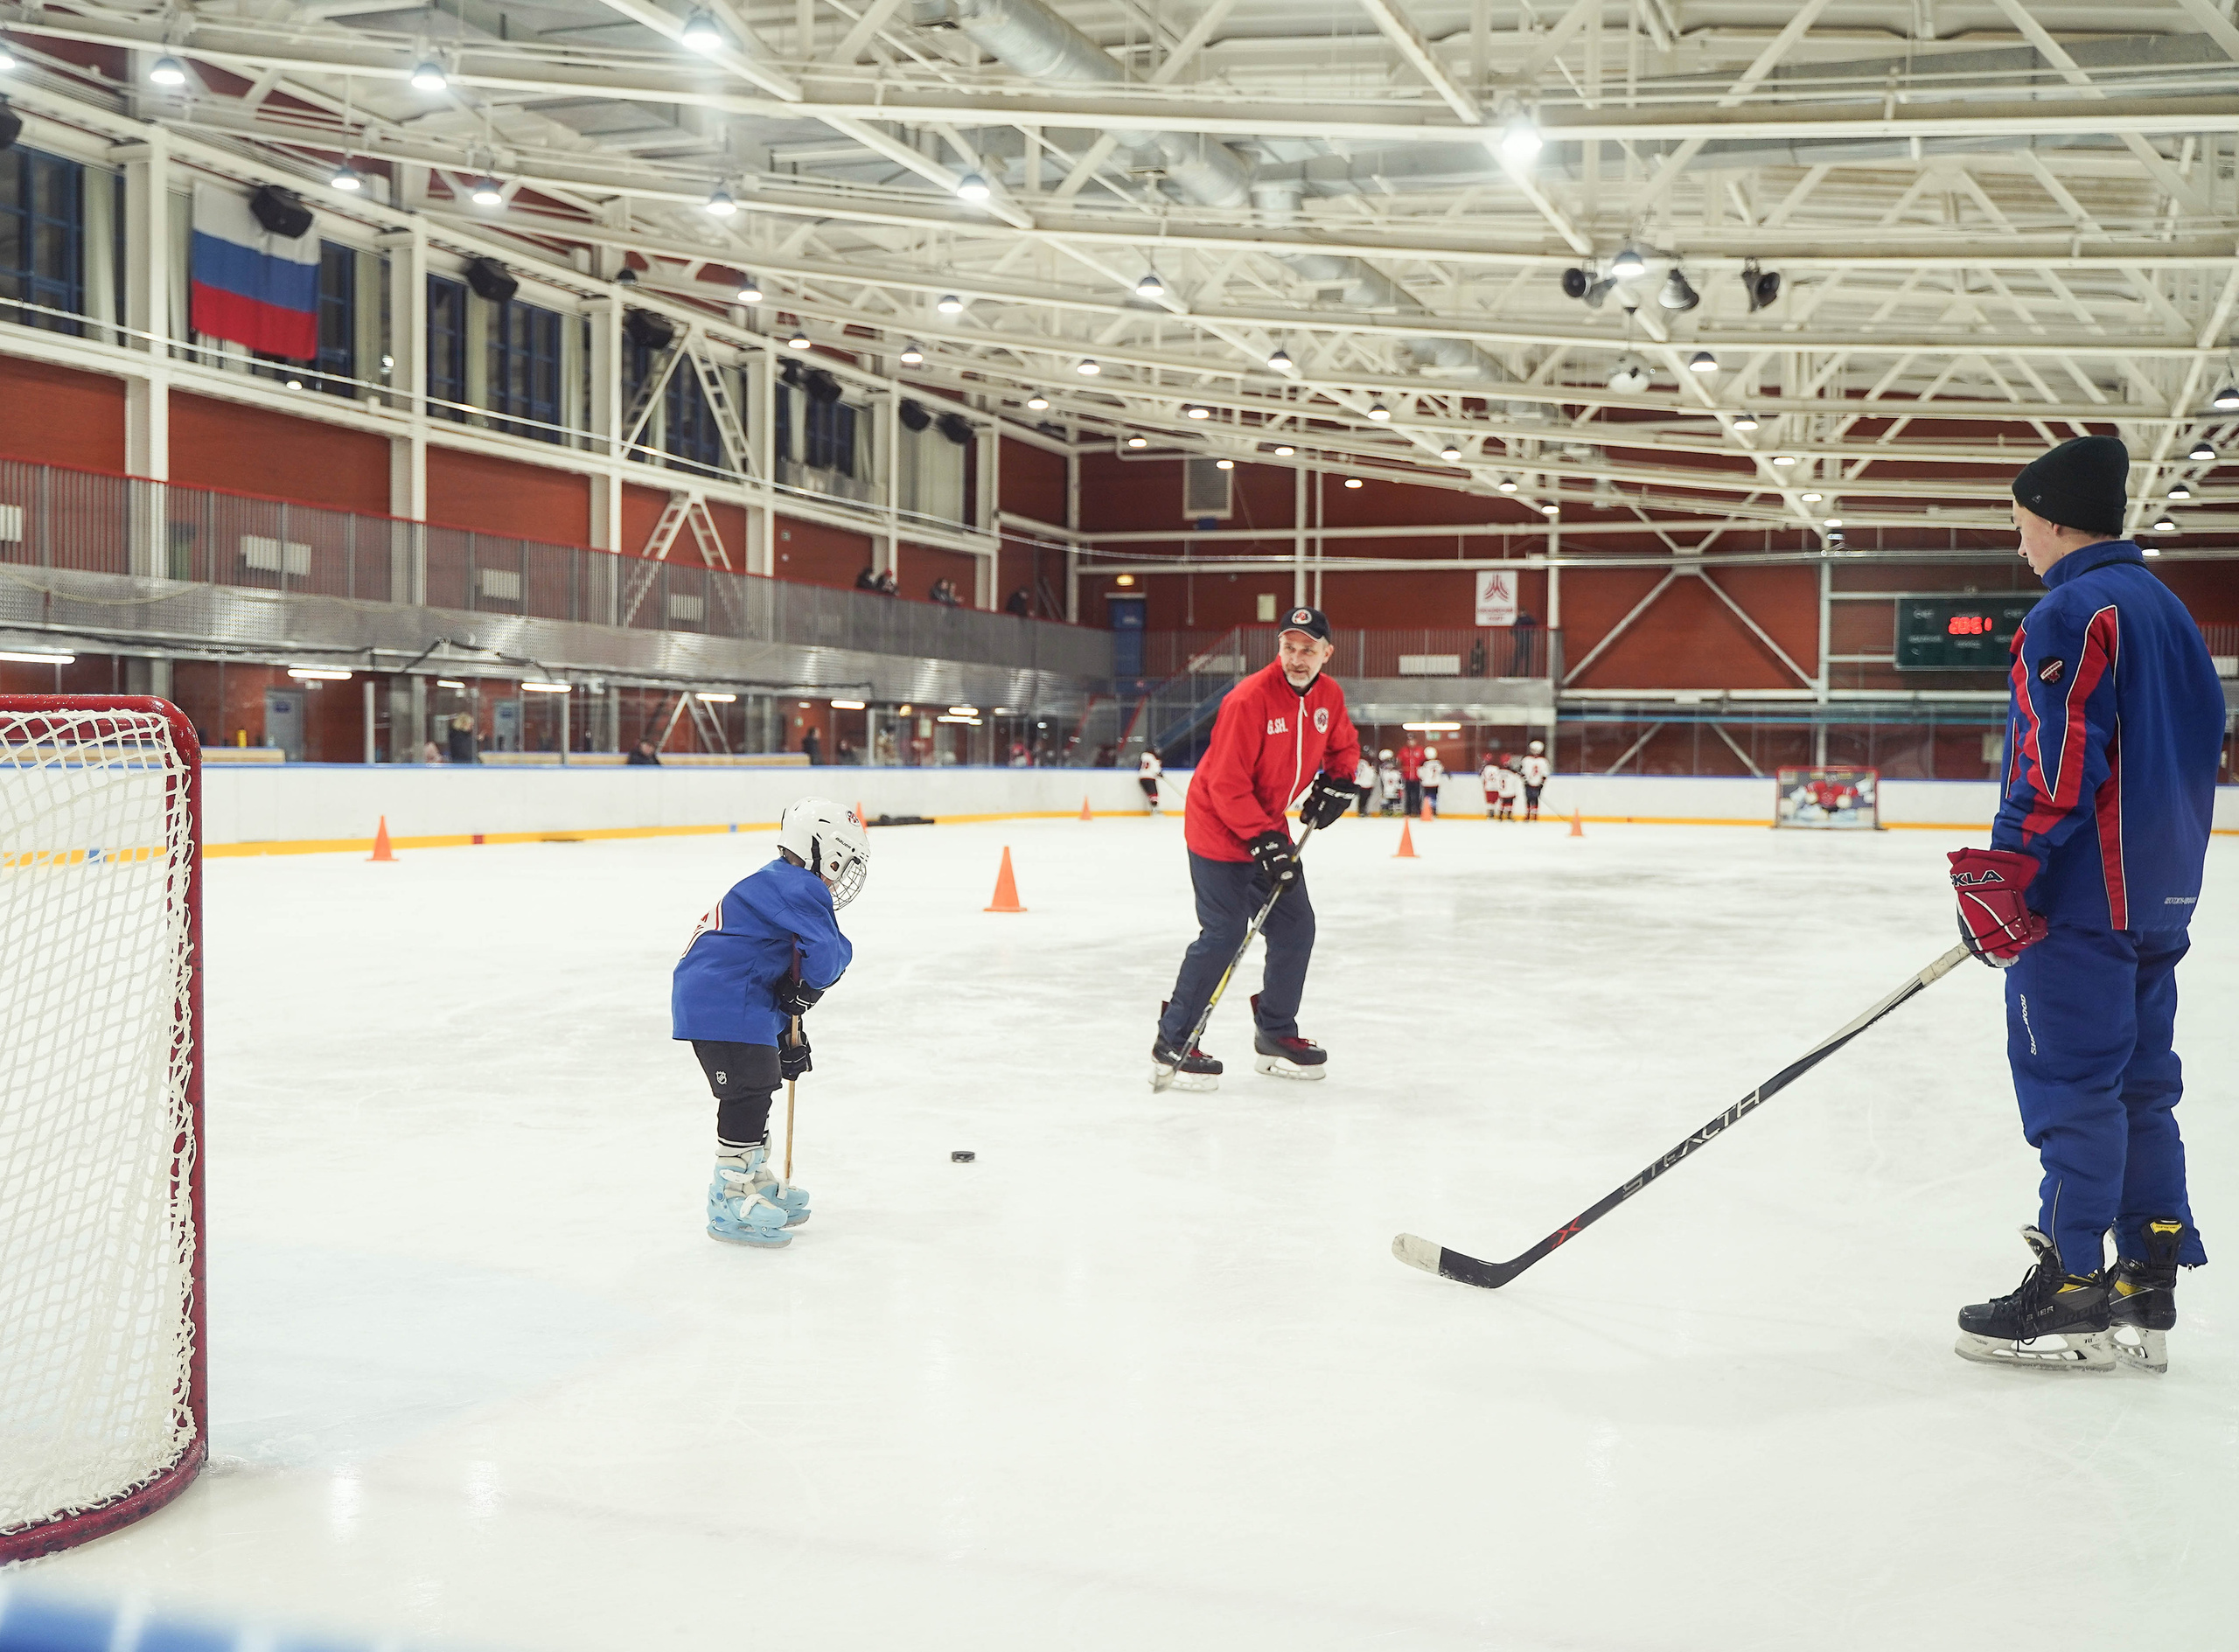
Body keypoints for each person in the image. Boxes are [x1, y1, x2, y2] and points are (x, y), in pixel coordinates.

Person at [1946, 434, 2222, 1374]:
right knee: (2140, 1081)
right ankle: (2148, 1271)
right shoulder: (2171, 612)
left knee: (2072, 1083)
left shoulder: (2072, 609)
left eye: (2020, 518)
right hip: (2161, 891)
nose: (2017, 537)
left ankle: (2070, 1286)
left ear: (2053, 516)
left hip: (2079, 897)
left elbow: (2055, 759)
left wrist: (2008, 866)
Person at [1152, 607, 1361, 1090]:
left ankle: (1274, 1033)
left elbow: (1342, 746)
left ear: (1327, 653)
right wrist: (1261, 838)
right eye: (1289, 647)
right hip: (1219, 831)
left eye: (1308, 648)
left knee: (1294, 928)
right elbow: (1225, 783)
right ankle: (1172, 1042)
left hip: (1266, 827)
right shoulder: (1249, 699)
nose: (1297, 657)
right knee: (1224, 933)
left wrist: (1339, 783)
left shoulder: (1329, 695)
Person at [673, 798, 868, 1248]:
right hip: (722, 1002)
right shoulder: (797, 886)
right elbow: (830, 953)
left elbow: (773, 963)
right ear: (825, 850)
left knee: (759, 1083)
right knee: (747, 1090)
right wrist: (810, 991)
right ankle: (729, 1195)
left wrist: (785, 1029)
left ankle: (753, 1180)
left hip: (734, 998)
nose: (845, 872)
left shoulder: (780, 882)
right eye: (845, 859)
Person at [1518, 739, 1550, 820]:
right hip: (1534, 782)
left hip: (1532, 782)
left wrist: (1525, 780)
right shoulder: (1543, 761)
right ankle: (1532, 814)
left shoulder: (1527, 759)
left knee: (1531, 798)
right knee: (1531, 798)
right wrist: (1542, 782)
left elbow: (1521, 772)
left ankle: (1531, 814)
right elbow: (1545, 774)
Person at [1397, 738, 1425, 818]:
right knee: (1408, 795)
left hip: (1417, 777)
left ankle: (1417, 811)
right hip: (1407, 777)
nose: (1411, 742)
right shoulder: (1403, 750)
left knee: (1417, 795)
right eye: (1409, 741)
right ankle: (1408, 811)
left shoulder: (1420, 750)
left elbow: (1423, 762)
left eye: (1413, 741)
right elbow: (1399, 761)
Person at [1419, 746, 1445, 817]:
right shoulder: (1439, 762)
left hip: (1426, 783)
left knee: (1427, 797)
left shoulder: (1424, 763)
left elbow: (1420, 773)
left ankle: (1427, 810)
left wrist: (1422, 778)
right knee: (1435, 797)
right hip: (1436, 783)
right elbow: (1441, 770)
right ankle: (1434, 811)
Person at [1138, 746, 1164, 813]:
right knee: (1154, 793)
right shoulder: (1154, 759)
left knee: (1150, 793)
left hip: (1141, 777)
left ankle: (1154, 807)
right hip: (1149, 777)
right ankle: (1155, 809)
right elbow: (1155, 769)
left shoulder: (1144, 756)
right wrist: (1160, 773)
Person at [1377, 749, 1402, 816]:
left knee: (1392, 797)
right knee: (1389, 798)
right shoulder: (1384, 768)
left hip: (1392, 786)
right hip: (1389, 786)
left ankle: (1390, 810)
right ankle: (1388, 810)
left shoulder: (1386, 768)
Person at [1353, 750, 1377, 817]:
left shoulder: (1364, 763)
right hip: (1363, 783)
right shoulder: (1363, 763)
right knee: (1363, 797)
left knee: (1365, 797)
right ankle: (1361, 810)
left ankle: (1363, 809)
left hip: (1366, 783)